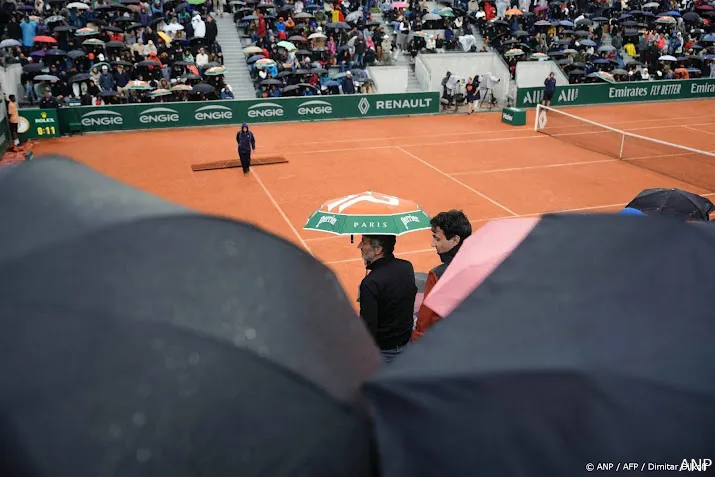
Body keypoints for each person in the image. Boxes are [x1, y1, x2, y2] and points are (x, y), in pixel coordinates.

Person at [412, 210, 472, 342]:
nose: (433, 244)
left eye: (437, 238)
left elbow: (425, 322)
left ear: (455, 240)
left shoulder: (437, 276)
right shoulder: (485, 266)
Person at [357, 234, 416, 362]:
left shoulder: (370, 283)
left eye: (364, 242)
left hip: (383, 353)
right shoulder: (407, 267)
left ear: (378, 250)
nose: (359, 246)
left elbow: (368, 328)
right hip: (407, 345)